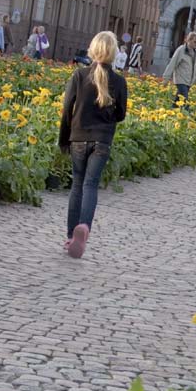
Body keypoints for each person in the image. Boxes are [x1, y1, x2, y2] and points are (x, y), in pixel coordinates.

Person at [58, 30, 127, 259]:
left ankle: (71, 235)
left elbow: (67, 109)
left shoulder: (79, 75)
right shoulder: (118, 81)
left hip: (78, 136)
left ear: (92, 50)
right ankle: (84, 227)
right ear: (113, 53)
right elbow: (121, 114)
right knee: (90, 185)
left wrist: (63, 139)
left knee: (77, 185)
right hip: (102, 140)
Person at [162, 32, 196, 106]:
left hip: (189, 82)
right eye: (195, 42)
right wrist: (166, 78)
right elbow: (172, 63)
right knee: (185, 102)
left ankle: (171, 112)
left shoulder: (195, 54)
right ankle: (187, 114)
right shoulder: (181, 50)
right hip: (181, 80)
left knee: (178, 102)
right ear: (188, 40)